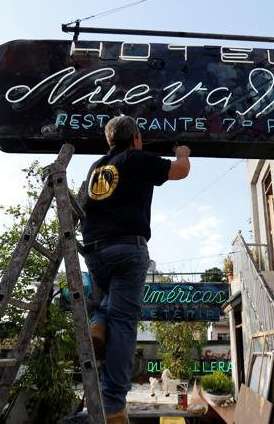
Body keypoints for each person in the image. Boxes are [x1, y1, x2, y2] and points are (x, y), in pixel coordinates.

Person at [81, 115, 190, 423]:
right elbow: (180, 171)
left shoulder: (96, 168)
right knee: (125, 324)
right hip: (128, 249)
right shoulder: (136, 158)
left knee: (108, 306)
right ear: (137, 138)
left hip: (95, 252)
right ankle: (113, 403)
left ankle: (97, 323)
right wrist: (183, 153)